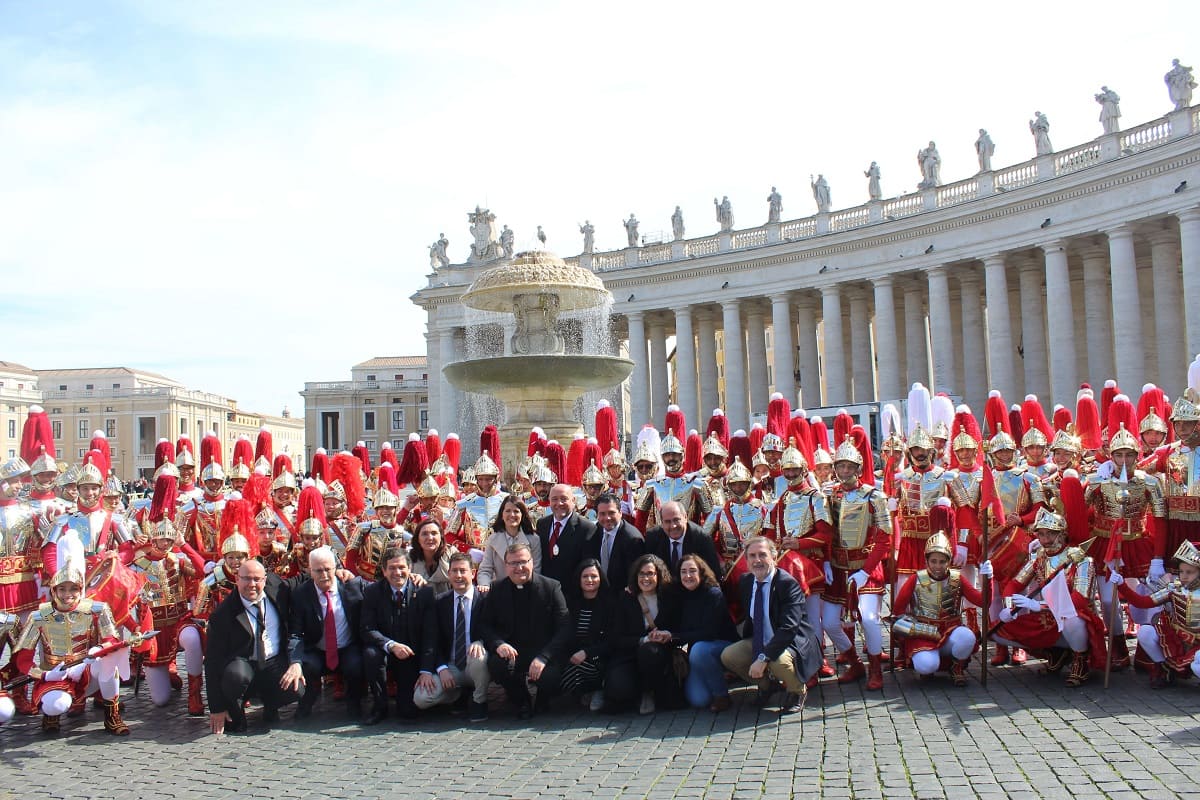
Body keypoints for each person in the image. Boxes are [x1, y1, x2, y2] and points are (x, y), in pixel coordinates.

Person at [12, 549, 132, 735]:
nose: (68, 594)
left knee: (109, 662)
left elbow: (112, 640)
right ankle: (51, 713)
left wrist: (97, 651)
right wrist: (44, 675)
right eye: (62, 588)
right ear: (54, 590)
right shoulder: (38, 616)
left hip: (85, 669)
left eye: (73, 588)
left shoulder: (96, 609)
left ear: (81, 589)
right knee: (56, 705)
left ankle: (112, 715)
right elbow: (23, 659)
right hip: (55, 674)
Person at [991, 508, 1105, 688]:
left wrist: (1040, 606)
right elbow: (1015, 583)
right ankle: (1055, 652)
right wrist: (1009, 606)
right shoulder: (1039, 558)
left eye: (1050, 534)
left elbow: (1079, 600)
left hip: (1077, 617)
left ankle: (1080, 658)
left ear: (1061, 535)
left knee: (1070, 621)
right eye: (1041, 534)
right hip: (1047, 617)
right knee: (998, 629)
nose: (1044, 539)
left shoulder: (1081, 560)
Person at [721, 536, 821, 714]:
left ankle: (797, 690)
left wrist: (763, 658)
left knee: (777, 661)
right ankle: (767, 686)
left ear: (774, 557)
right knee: (729, 655)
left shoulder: (787, 584)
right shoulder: (745, 581)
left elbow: (789, 628)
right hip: (761, 637)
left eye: (762, 555)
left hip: (791, 641)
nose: (757, 560)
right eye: (752, 556)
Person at [474, 543, 572, 719]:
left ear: (532, 562)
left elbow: (564, 627)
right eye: (513, 563)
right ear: (506, 566)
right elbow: (484, 624)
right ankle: (521, 700)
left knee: (551, 677)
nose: (519, 568)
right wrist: (498, 644)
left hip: (543, 651)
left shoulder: (551, 587)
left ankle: (543, 698)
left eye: (523, 562)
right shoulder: (496, 589)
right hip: (512, 651)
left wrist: (544, 657)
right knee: (497, 665)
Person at [204, 558, 301, 734]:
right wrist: (216, 708)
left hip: (272, 662)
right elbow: (212, 662)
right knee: (236, 676)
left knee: (297, 687)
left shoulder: (276, 586)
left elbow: (300, 581)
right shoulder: (222, 614)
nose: (252, 584)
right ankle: (236, 711)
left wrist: (339, 573)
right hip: (242, 664)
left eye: (257, 579)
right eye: (246, 578)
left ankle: (270, 705)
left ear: (265, 579)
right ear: (237, 579)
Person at [825, 437, 892, 689]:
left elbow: (885, 539)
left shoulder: (874, 497)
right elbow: (825, 531)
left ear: (858, 468)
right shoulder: (829, 495)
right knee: (831, 622)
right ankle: (854, 663)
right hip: (838, 568)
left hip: (866, 567)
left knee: (869, 617)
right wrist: (825, 563)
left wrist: (865, 571)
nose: (844, 471)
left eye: (849, 467)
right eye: (840, 466)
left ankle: (876, 669)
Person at [892, 532, 986, 686]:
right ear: (926, 560)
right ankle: (928, 667)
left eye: (942, 561)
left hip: (950, 631)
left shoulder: (957, 578)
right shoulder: (916, 579)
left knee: (967, 637)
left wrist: (988, 578)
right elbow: (897, 613)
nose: (937, 566)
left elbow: (983, 602)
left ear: (948, 561)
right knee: (926, 665)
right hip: (924, 634)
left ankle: (957, 666)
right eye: (933, 561)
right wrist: (911, 631)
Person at [285, 546, 367, 719]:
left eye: (328, 569)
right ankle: (307, 701)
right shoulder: (301, 594)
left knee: (356, 664)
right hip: (317, 648)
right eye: (318, 570)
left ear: (336, 568)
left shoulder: (352, 585)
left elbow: (381, 588)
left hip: (347, 646)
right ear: (310, 571)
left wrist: (412, 578)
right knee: (307, 665)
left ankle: (354, 703)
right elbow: (295, 632)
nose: (324, 575)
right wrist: (295, 661)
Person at [361, 546, 433, 724]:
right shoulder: (372, 592)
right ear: (384, 571)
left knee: (408, 711)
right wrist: (391, 645)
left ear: (410, 569)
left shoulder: (424, 592)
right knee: (370, 655)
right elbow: (367, 628)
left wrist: (426, 669)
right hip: (385, 650)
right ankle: (379, 706)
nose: (397, 572)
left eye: (401, 567)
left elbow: (430, 634)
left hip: (411, 654)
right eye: (392, 568)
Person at [414, 551, 490, 721]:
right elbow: (433, 639)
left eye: (463, 571)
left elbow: (492, 629)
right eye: (454, 571)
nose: (459, 575)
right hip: (452, 665)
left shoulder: (485, 599)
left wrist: (481, 641)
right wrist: (441, 668)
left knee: (479, 658)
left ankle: (479, 701)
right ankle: (456, 695)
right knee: (421, 698)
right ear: (448, 574)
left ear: (473, 573)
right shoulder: (440, 602)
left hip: (475, 664)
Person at [1115, 540, 1200, 687]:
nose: (1184, 576)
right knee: (1145, 632)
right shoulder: (1174, 589)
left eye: (1190, 572)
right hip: (1177, 641)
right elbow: (1142, 602)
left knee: (1197, 665)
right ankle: (1163, 668)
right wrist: (1121, 585)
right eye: (1181, 571)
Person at [607, 554, 683, 714]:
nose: (646, 578)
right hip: (630, 654)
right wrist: (643, 639)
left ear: (659, 575)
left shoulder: (669, 598)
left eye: (650, 573)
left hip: (659, 655)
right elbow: (616, 637)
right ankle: (637, 692)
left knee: (650, 652)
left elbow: (679, 626)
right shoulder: (626, 598)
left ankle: (650, 692)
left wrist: (667, 634)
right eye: (642, 574)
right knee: (619, 690)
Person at [674, 555, 738, 711]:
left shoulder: (713, 594)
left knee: (699, 649)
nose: (687, 576)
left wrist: (675, 637)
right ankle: (717, 677)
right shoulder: (680, 595)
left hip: (723, 646)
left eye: (692, 571)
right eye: (683, 572)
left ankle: (721, 695)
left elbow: (709, 633)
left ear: (701, 573)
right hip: (698, 653)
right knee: (699, 700)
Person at [561, 558, 616, 711]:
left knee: (577, 668)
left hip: (598, 658)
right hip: (574, 655)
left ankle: (598, 689)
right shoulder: (571, 604)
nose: (589, 580)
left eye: (594, 576)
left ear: (600, 578)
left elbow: (612, 640)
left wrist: (587, 652)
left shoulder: (609, 604)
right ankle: (583, 691)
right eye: (585, 576)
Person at [536, 483, 596, 585]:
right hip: (545, 591)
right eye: (554, 499)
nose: (559, 503)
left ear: (573, 501)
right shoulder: (542, 524)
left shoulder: (586, 528)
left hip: (571, 593)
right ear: (549, 501)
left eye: (564, 499)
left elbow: (587, 566)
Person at [478, 495, 543, 590]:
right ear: (502, 515)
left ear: (523, 515)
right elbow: (485, 569)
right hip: (499, 591)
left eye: (516, 511)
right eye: (508, 511)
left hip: (526, 590)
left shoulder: (534, 539)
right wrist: (485, 585)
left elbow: (536, 570)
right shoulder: (493, 539)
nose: (512, 515)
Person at [644, 500, 722, 579]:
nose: (673, 526)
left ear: (685, 517)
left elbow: (713, 575)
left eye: (676, 520)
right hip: (663, 587)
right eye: (667, 522)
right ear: (662, 523)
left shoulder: (701, 539)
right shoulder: (652, 537)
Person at [586, 492, 645, 593]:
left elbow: (634, 577)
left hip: (622, 597)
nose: (607, 518)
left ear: (620, 513)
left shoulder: (632, 539)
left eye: (611, 513)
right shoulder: (596, 530)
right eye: (602, 514)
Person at [409, 518, 455, 595]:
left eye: (434, 533)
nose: (430, 538)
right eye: (424, 534)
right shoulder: (409, 557)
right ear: (417, 538)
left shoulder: (452, 554)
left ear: (441, 537)